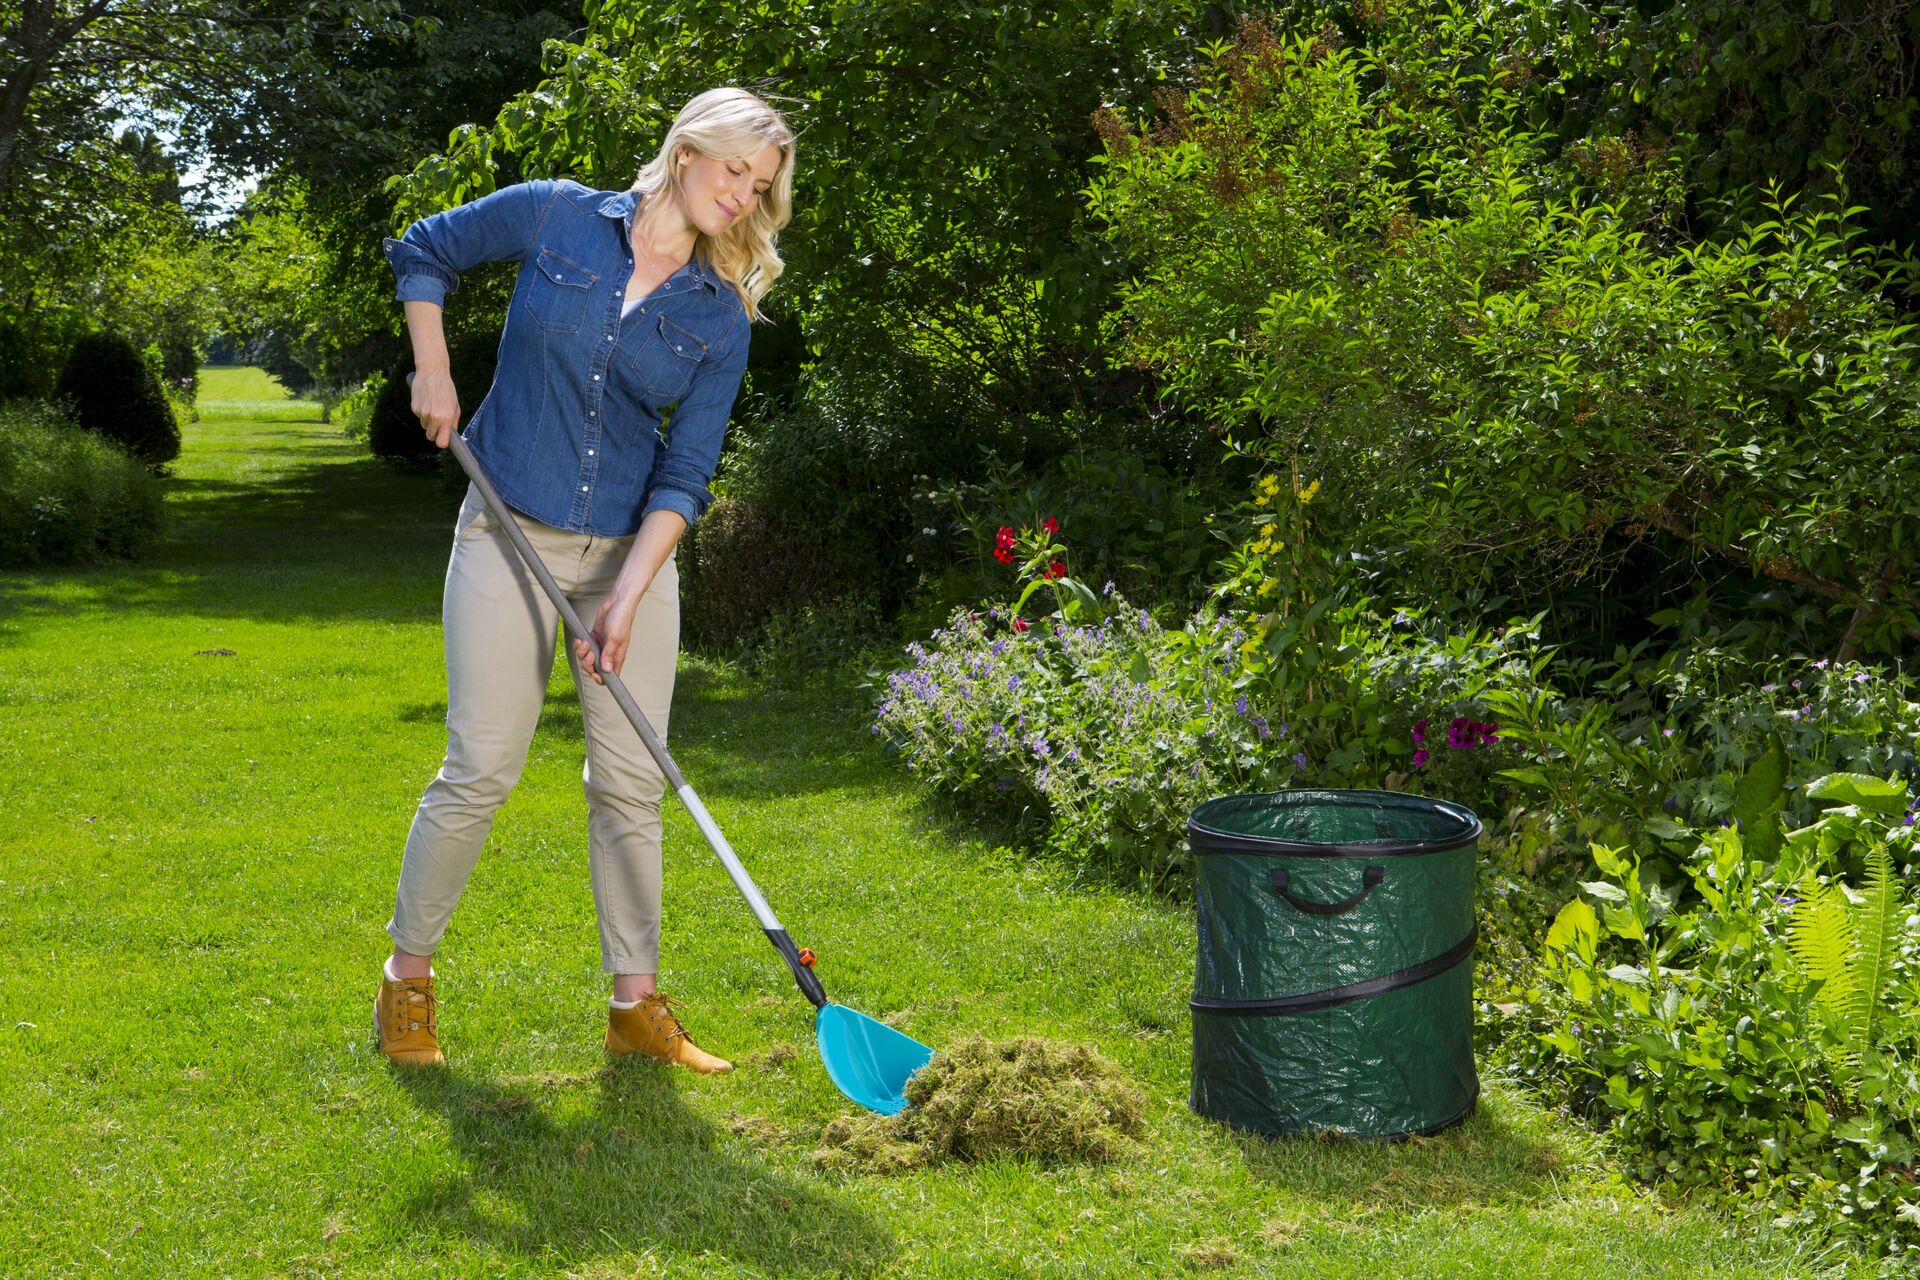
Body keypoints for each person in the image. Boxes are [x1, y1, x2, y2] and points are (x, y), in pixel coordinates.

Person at [371, 87, 794, 1072]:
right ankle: (408, 979)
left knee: (631, 783)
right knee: (481, 765)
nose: (742, 196)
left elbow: (685, 474)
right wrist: (432, 367)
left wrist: (631, 594)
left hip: (625, 554)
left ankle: (634, 1006)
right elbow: (423, 247)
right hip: (506, 528)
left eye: (760, 186)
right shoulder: (560, 212)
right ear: (686, 150)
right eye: (733, 169)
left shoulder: (718, 314)